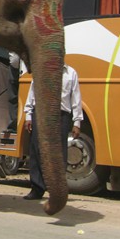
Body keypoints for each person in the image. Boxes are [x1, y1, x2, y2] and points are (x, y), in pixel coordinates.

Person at [22, 63, 83, 200]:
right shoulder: (41, 69)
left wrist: (77, 122)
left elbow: (76, 98)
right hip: (41, 113)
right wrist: (28, 116)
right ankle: (37, 188)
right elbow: (32, 92)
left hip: (61, 116)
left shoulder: (71, 73)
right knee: (37, 150)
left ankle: (56, 190)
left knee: (58, 153)